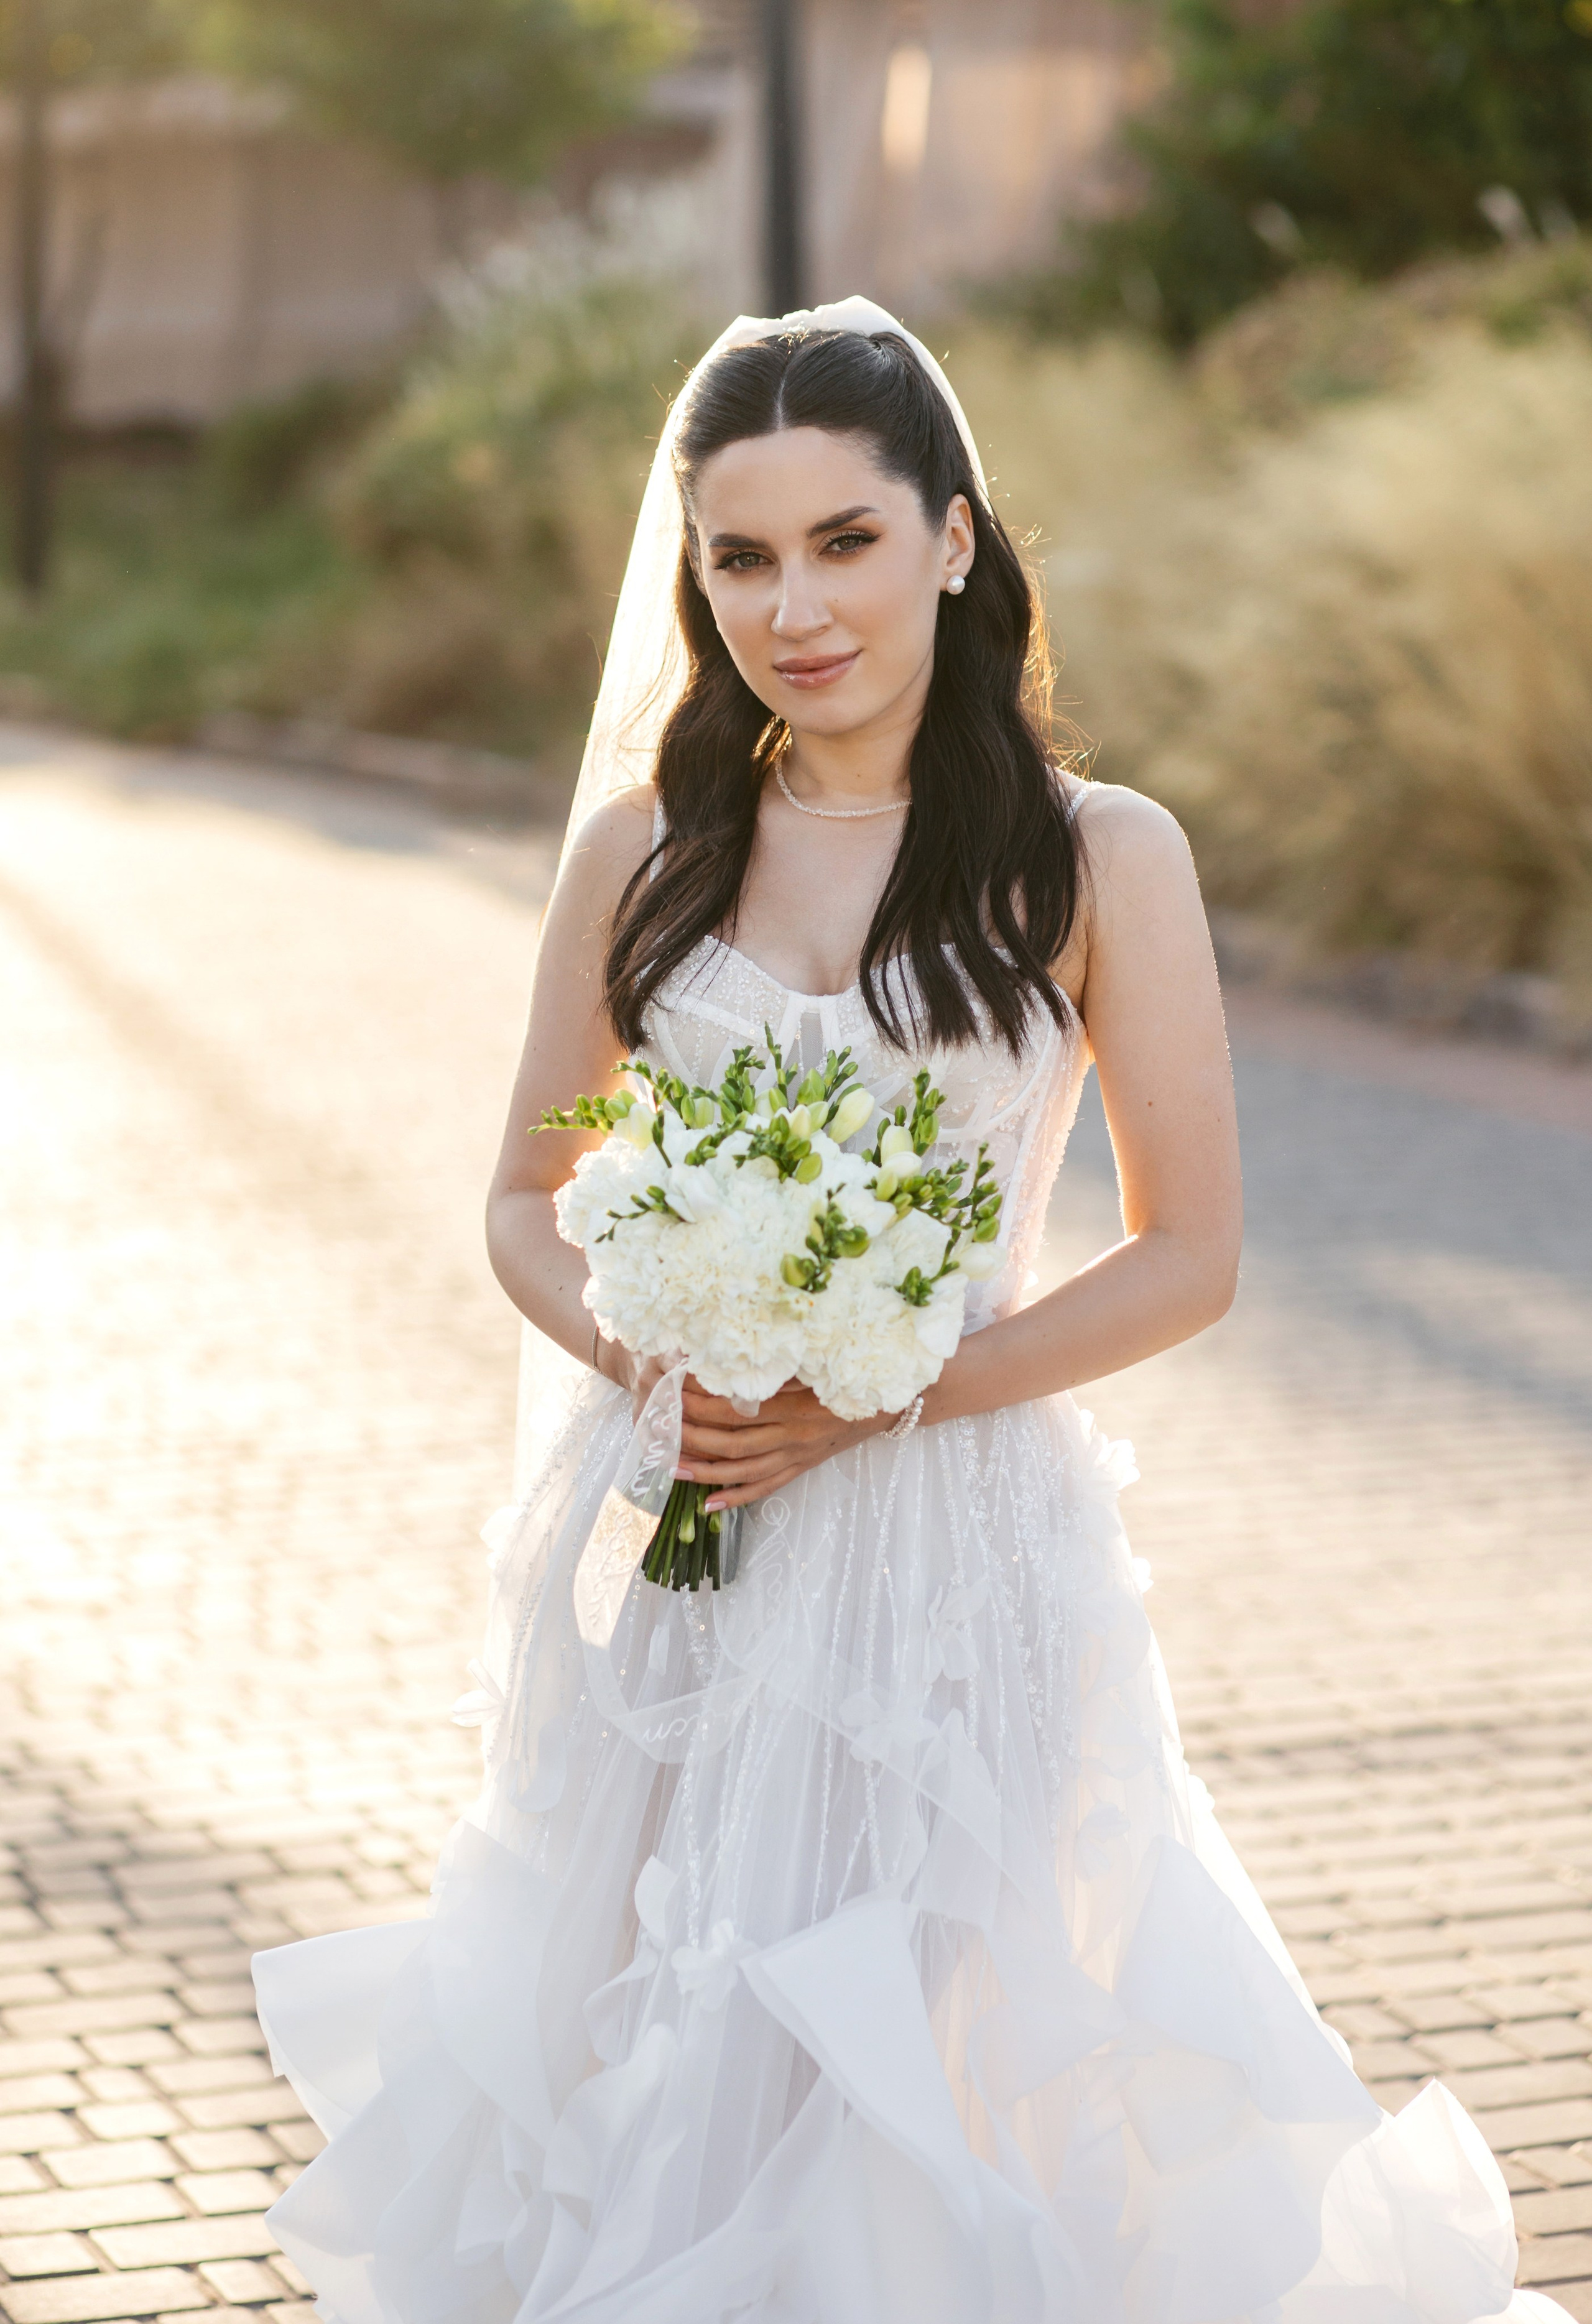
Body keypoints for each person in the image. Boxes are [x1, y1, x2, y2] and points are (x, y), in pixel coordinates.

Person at [252, 298, 1567, 2324]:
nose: (796, 607)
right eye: (742, 557)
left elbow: (1188, 1252)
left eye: (846, 541)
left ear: (958, 536)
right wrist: (656, 1348)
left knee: (908, 2068)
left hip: (956, 1569)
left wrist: (891, 1393)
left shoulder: (1093, 860)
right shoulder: (648, 856)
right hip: (684, 1552)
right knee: (661, 2027)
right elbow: (524, 1197)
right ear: (694, 575)